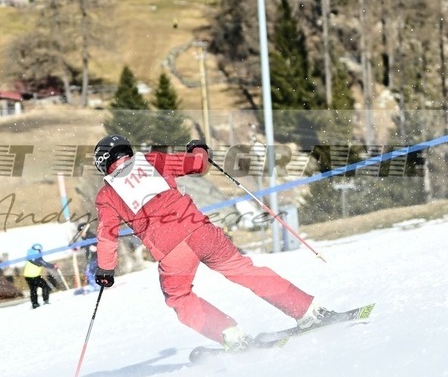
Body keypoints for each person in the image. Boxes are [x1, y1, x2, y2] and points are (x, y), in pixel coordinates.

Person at [92, 134, 330, 352]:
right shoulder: (153, 161)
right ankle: (307, 310)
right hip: (202, 232)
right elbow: (197, 164)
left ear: (103, 162)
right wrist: (199, 149)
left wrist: (105, 269)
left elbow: (107, 235)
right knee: (243, 269)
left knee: (179, 297)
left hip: (172, 251)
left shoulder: (107, 195)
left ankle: (230, 335)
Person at [23, 243, 58, 309]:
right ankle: (46, 301)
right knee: (45, 286)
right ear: (38, 250)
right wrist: (53, 266)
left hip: (27, 276)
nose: (41, 251)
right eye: (41, 250)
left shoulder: (30, 255)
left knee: (33, 290)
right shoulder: (37, 256)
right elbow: (44, 264)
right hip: (34, 276)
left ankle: (35, 304)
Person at [77, 223, 100, 292]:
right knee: (90, 271)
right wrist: (78, 247)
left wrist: (95, 247)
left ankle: (96, 285)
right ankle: (96, 284)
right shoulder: (86, 237)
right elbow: (85, 244)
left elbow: (97, 243)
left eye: (81, 232)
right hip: (91, 257)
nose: (80, 234)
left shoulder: (90, 236)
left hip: (95, 256)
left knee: (90, 271)